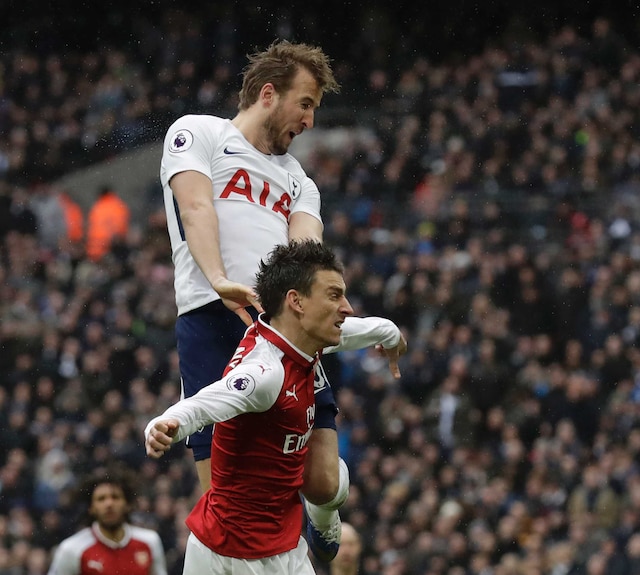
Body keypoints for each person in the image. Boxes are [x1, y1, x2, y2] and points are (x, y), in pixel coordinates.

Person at [159, 39, 402, 561]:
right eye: (307, 103)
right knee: (224, 501)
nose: (310, 120)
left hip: (282, 333)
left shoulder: (299, 180)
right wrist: (220, 278)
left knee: (322, 482)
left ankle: (325, 514)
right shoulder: (197, 132)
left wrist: (323, 314)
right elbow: (197, 208)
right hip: (209, 319)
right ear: (268, 94)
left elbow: (308, 257)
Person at [144, 240, 403, 574]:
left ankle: (322, 516)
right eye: (334, 295)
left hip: (285, 545)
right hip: (228, 556)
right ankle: (324, 516)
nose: (347, 308)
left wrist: (392, 334)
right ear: (295, 301)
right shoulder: (265, 374)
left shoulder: (302, 337)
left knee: (326, 486)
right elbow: (203, 405)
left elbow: (358, 330)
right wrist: (164, 424)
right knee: (328, 485)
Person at [47, 467, 167, 575]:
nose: (109, 504)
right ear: (91, 508)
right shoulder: (71, 549)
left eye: (115, 497)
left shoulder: (150, 542)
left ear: (127, 504)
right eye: (101, 499)